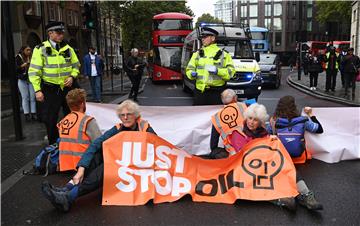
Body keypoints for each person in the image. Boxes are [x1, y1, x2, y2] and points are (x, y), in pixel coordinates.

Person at [41, 100, 156, 212]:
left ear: (135, 115)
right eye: (122, 115)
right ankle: (66, 188)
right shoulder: (117, 128)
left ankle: (69, 197)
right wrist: (81, 168)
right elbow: (95, 144)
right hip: (119, 165)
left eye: (129, 114)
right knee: (96, 155)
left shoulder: (145, 128)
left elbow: (159, 147)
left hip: (135, 169)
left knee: (107, 167)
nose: (125, 117)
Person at [268, 95, 323, 211]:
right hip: (298, 155)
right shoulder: (302, 120)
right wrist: (311, 115)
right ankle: (305, 197)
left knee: (282, 172)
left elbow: (266, 135)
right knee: (291, 171)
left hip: (280, 157)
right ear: (294, 107)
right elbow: (319, 129)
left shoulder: (273, 121)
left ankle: (288, 198)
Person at [29, 21, 80, 144]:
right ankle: (53, 144)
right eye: (58, 33)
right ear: (50, 33)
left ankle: (71, 141)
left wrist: (72, 77)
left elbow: (76, 66)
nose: (61, 35)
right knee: (50, 118)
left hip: (67, 88)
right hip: (50, 89)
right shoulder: (40, 49)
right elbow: (34, 71)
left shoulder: (68, 48)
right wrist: (37, 90)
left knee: (73, 115)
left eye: (62, 32)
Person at [186, 27, 235, 105]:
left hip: (216, 93)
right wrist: (191, 73)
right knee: (198, 116)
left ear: (213, 38)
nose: (202, 39)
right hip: (200, 93)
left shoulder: (224, 54)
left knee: (213, 116)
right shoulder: (197, 54)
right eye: (202, 37)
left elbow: (230, 73)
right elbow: (189, 69)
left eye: (205, 37)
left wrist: (218, 71)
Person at [57, 88, 102, 172]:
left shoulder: (63, 122)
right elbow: (99, 142)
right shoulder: (87, 121)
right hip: (83, 165)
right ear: (82, 104)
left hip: (65, 166)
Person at [208, 89, 248, 159]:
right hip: (249, 147)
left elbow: (213, 144)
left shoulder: (216, 117)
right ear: (235, 98)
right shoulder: (244, 106)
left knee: (215, 152)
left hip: (231, 153)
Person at [15, 45, 37, 122]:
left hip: (31, 79)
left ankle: (34, 113)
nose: (29, 52)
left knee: (32, 97)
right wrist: (23, 65)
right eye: (27, 50)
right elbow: (15, 69)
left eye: (30, 50)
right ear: (23, 50)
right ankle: (27, 114)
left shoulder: (31, 57)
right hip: (22, 80)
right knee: (25, 97)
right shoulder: (18, 57)